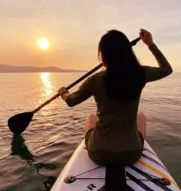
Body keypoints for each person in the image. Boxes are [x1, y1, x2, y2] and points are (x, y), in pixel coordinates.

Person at [58, 29, 173, 165]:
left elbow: (71, 101)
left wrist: (63, 92)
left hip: (98, 154)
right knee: (141, 116)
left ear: (103, 55)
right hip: (131, 154)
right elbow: (167, 69)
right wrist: (150, 44)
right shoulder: (141, 73)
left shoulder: (95, 80)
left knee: (91, 118)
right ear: (128, 51)